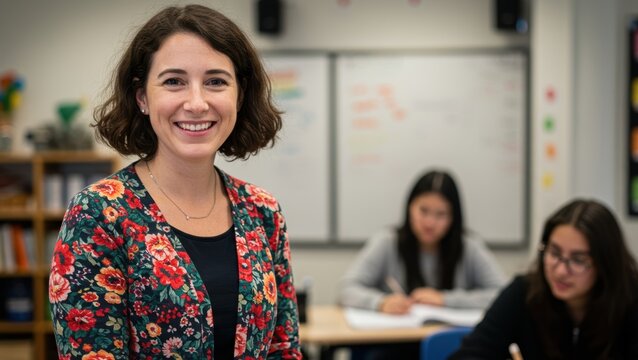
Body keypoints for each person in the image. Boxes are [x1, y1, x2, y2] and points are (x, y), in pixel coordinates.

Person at [48, 5, 301, 359]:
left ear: (239, 96)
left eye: (216, 81)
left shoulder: (262, 210)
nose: (196, 103)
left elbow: (283, 347)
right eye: (173, 81)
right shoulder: (99, 214)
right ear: (142, 98)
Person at [450, 199, 638, 359]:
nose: (560, 271)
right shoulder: (524, 292)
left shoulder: (634, 305)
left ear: (604, 263)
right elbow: (472, 353)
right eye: (554, 253)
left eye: (578, 260)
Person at [338, 170, 506, 359]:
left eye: (441, 214)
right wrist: (380, 302)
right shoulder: (388, 241)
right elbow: (347, 288)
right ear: (410, 208)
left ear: (453, 218)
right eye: (423, 211)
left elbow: (503, 294)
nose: (429, 223)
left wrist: (446, 300)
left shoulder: (469, 246)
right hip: (393, 344)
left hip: (453, 347)